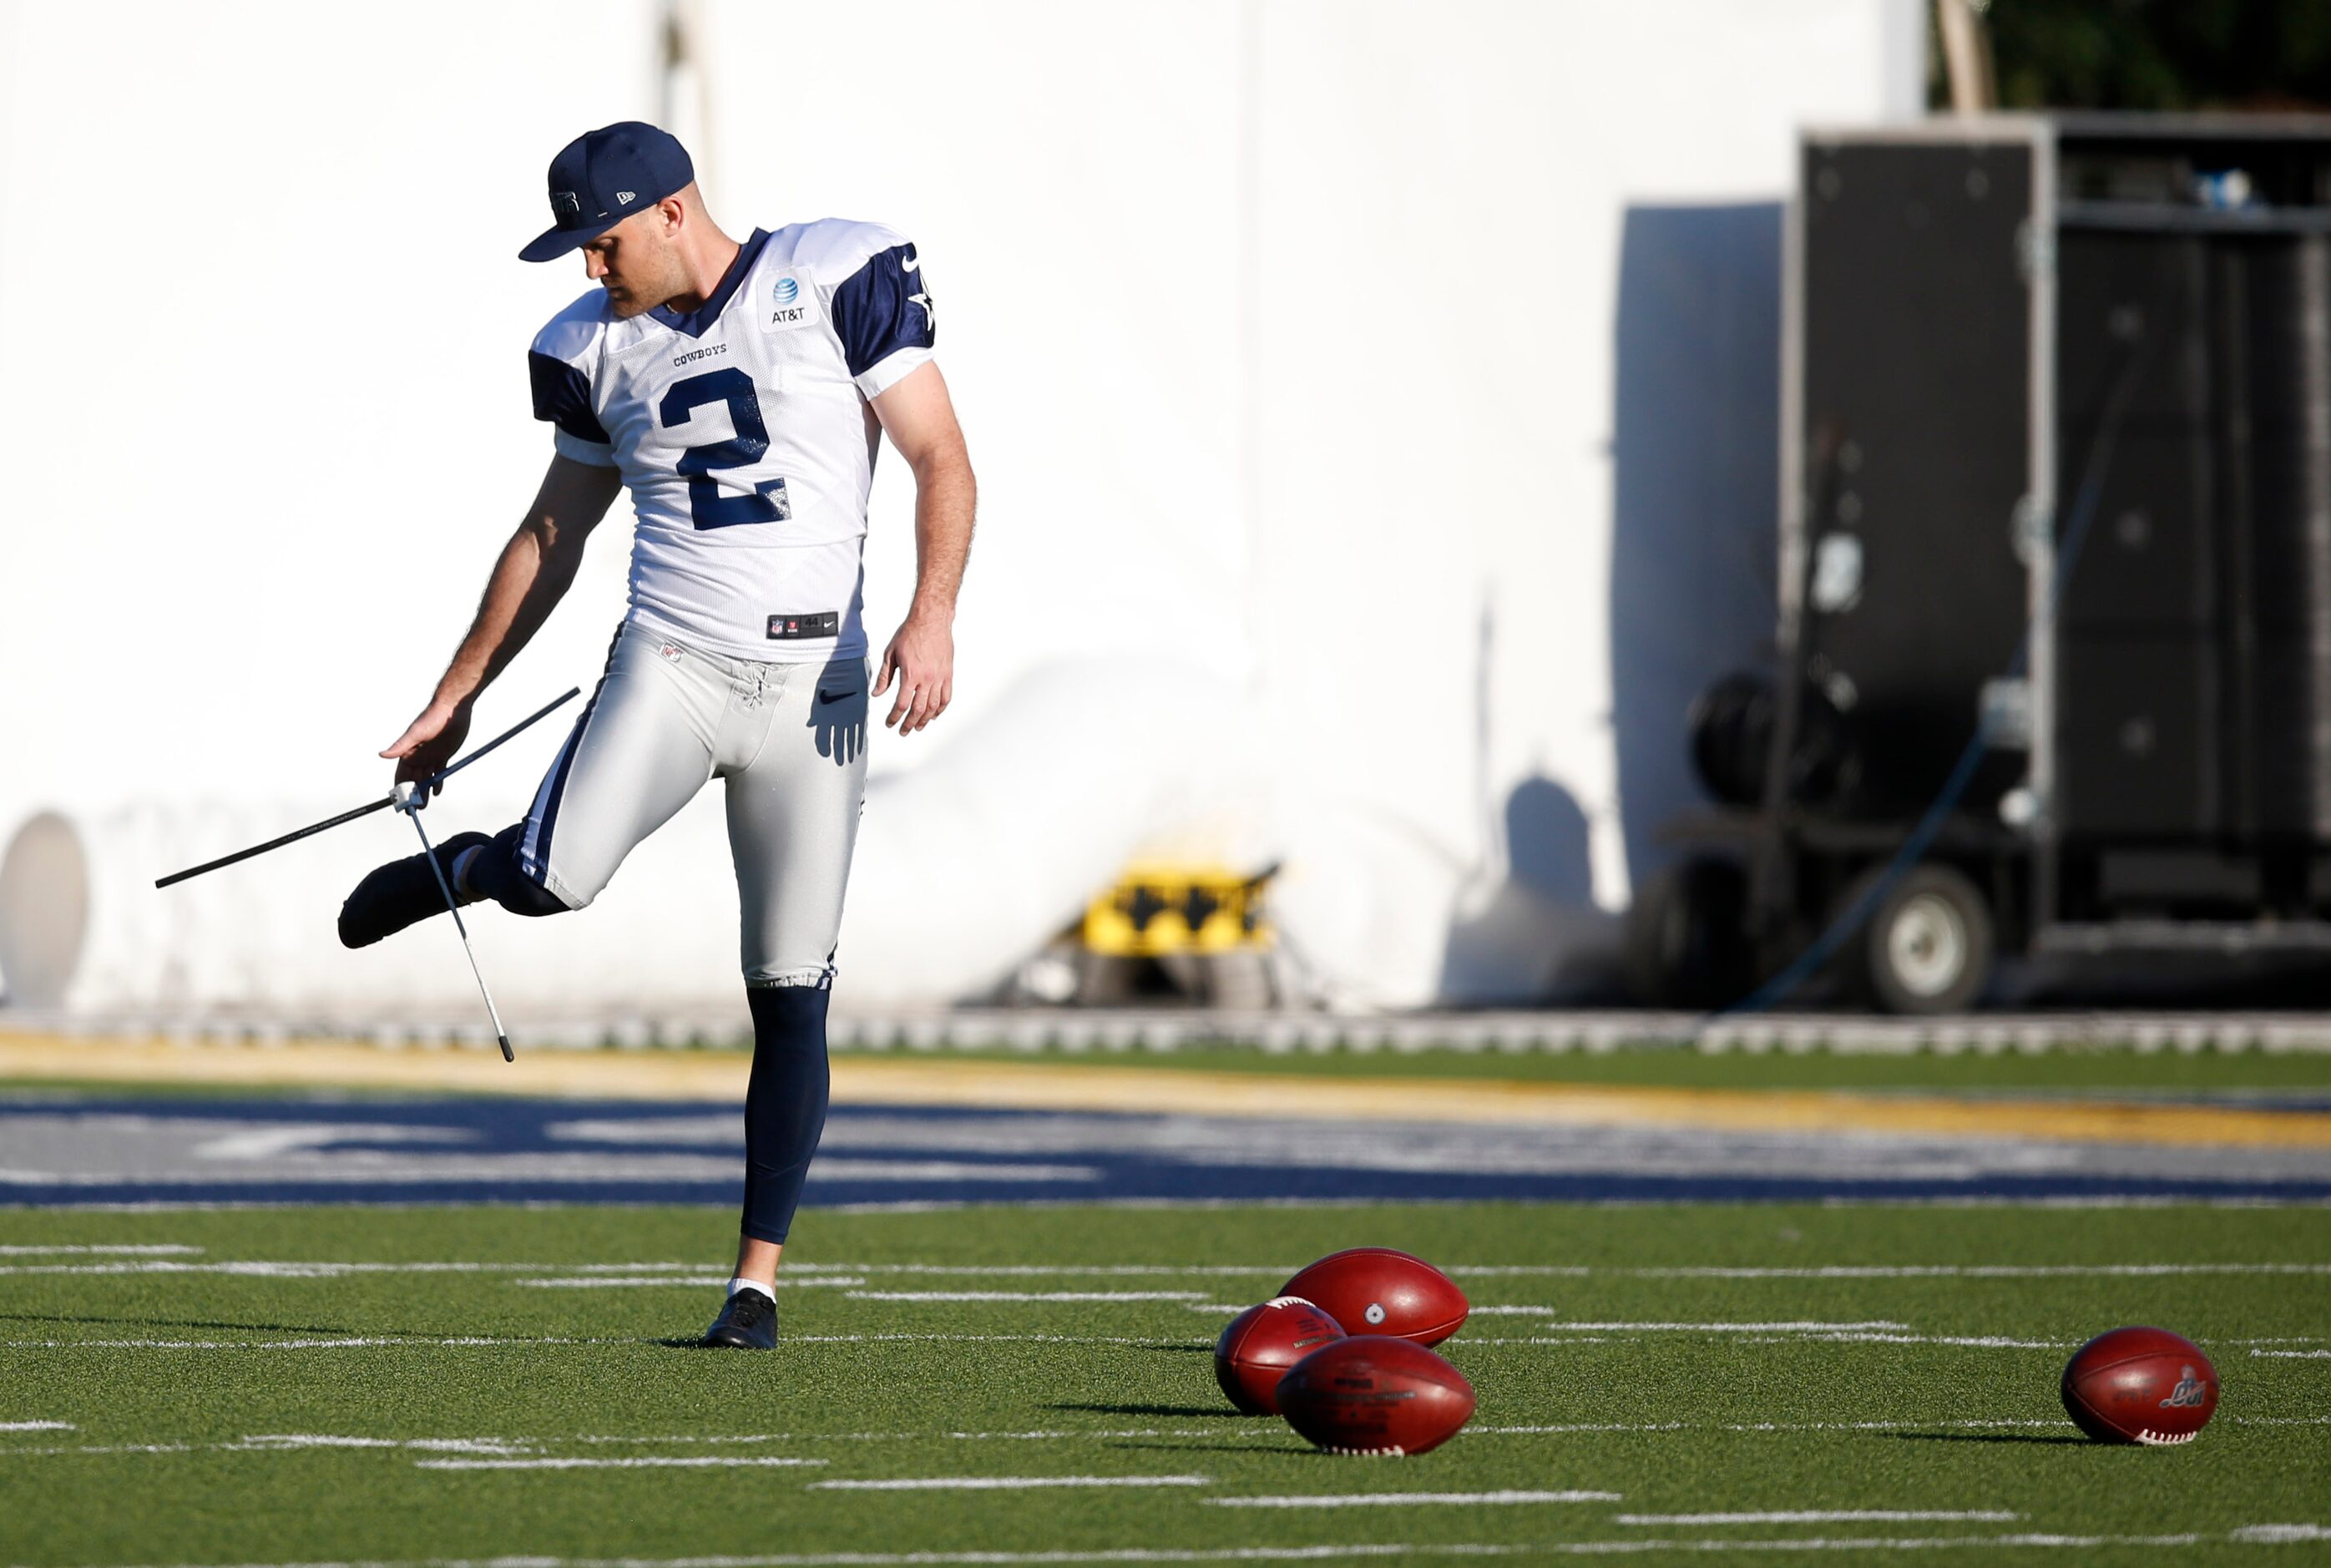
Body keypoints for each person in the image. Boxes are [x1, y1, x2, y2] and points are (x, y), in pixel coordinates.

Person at [334, 121, 974, 1349]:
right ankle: (466, 868)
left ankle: (756, 1284)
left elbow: (940, 454)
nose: (591, 270)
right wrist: (457, 691)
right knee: (548, 879)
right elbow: (553, 534)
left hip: (817, 687)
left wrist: (929, 614)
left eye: (604, 240)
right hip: (674, 662)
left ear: (675, 210)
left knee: (792, 990)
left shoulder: (836, 276)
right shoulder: (590, 348)